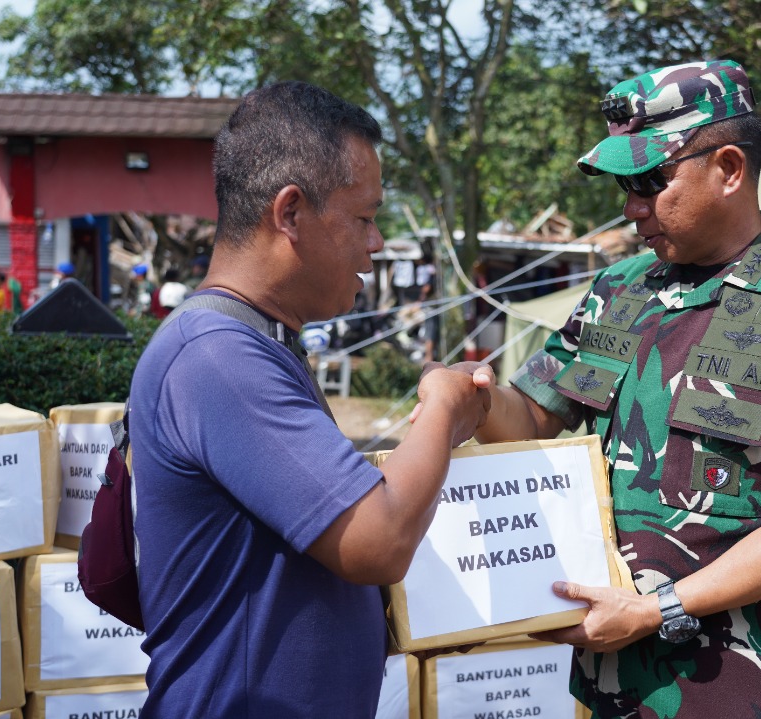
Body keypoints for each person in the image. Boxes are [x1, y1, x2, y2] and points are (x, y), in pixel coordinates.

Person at [431, 60, 761, 717]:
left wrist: (657, 609)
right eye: (626, 185)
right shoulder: (618, 291)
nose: (631, 207)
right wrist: (471, 395)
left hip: (740, 682)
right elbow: (532, 416)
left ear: (730, 169)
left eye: (651, 180)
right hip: (593, 681)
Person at [128, 81, 490, 718]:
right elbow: (377, 542)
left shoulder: (253, 342)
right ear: (289, 213)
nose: (376, 244)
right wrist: (442, 407)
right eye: (364, 218)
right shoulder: (219, 357)